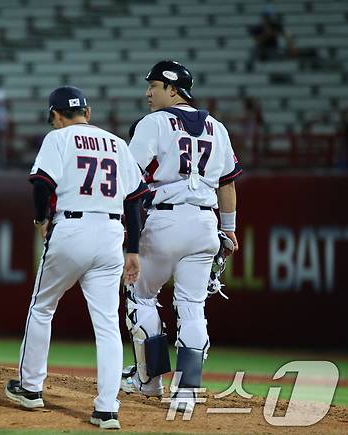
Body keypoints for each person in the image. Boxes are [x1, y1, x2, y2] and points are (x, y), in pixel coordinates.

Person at [4, 86, 148, 430]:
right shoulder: (117, 143)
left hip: (72, 227)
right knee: (107, 324)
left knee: (42, 306)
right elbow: (134, 199)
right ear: (88, 111)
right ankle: (107, 408)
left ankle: (31, 387)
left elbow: (41, 184)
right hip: (112, 234)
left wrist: (41, 220)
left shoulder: (59, 139)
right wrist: (134, 249)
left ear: (55, 115)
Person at [120, 60, 242, 412]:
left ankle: (148, 380)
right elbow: (228, 182)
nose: (148, 92)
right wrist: (229, 229)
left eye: (154, 86)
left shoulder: (154, 123)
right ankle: (187, 392)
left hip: (164, 221)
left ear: (173, 89)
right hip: (205, 223)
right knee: (192, 308)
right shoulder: (217, 127)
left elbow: (130, 176)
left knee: (141, 298)